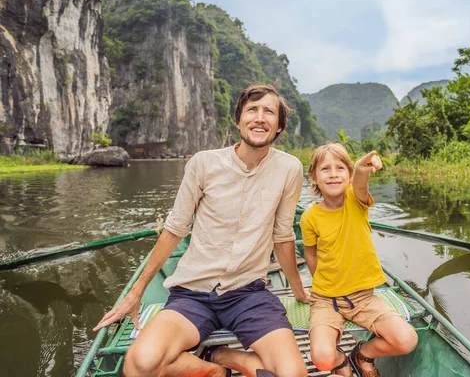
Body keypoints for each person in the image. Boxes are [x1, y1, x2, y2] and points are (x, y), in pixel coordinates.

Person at [94, 85, 309, 377]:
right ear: (238, 120)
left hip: (248, 294)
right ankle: (214, 367)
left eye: (269, 112)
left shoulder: (289, 169)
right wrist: (136, 292)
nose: (260, 118)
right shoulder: (204, 163)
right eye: (252, 110)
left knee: (293, 374)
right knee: (139, 364)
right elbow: (174, 229)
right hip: (192, 293)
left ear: (279, 125)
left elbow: (283, 235)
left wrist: (300, 291)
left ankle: (220, 354)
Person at [300, 143, 418, 377]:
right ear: (313, 176)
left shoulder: (356, 200)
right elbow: (310, 253)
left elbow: (361, 181)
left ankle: (363, 354)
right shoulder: (309, 217)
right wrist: (321, 283)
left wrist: (363, 168)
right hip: (326, 300)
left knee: (407, 340)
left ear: (349, 174)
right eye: (325, 169)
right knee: (322, 358)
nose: (333, 174)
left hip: (364, 298)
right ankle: (341, 361)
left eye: (340, 168)